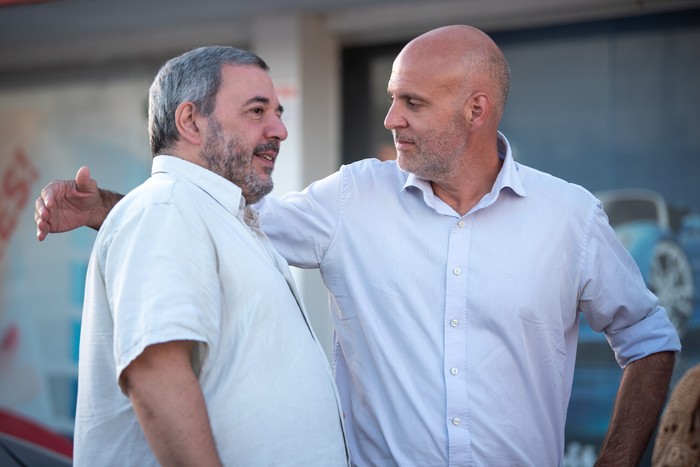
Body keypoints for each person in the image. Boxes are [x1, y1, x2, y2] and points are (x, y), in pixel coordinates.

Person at [36, 26, 680, 466]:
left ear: (476, 110)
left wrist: (618, 461)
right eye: (391, 97)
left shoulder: (568, 216)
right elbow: (215, 220)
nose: (390, 118)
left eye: (411, 103)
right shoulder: (351, 198)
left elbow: (650, 339)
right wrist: (112, 207)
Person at [58, 46, 348, 466]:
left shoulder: (212, 216)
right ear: (191, 121)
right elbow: (156, 375)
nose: (279, 130)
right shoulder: (166, 209)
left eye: (278, 113)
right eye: (257, 111)